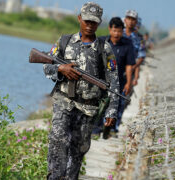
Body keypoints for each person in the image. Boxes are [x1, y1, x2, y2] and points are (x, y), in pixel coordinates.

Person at [43, 2, 119, 179]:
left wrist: (112, 111)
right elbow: (47, 67)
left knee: (78, 149)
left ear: (99, 23)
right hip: (64, 102)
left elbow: (114, 82)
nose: (89, 25)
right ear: (79, 19)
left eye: (94, 22)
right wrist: (61, 70)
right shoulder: (64, 41)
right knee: (58, 140)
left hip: (88, 108)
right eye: (86, 21)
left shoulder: (104, 48)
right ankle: (54, 177)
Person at [97, 17, 136, 137]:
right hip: (102, 79)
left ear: (122, 31)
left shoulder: (127, 44)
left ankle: (111, 129)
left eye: (119, 31)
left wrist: (128, 83)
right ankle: (96, 129)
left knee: (117, 105)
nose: (116, 34)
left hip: (119, 80)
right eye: (114, 30)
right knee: (99, 104)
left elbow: (129, 65)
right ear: (109, 29)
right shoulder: (101, 41)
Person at [123, 10, 146, 86]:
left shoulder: (139, 38)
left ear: (136, 22)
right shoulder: (118, 33)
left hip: (131, 71)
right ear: (125, 20)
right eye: (129, 18)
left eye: (133, 19)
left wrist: (133, 68)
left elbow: (141, 56)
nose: (130, 21)